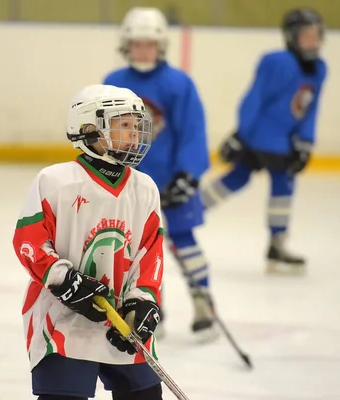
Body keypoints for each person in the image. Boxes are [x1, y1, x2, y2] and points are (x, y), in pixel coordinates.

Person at [13, 84, 165, 400]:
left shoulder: (145, 188)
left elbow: (150, 252)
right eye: (124, 125)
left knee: (145, 394)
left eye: (136, 126)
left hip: (121, 320)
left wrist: (144, 298)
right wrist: (65, 280)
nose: (134, 134)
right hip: (64, 321)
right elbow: (29, 242)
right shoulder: (55, 182)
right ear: (89, 130)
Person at [103, 7, 216, 337]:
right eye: (137, 44)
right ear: (127, 45)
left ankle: (203, 302)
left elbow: (193, 131)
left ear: (161, 46)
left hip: (172, 179)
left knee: (184, 239)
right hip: (129, 183)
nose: (143, 51)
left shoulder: (179, 83)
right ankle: (150, 306)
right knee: (136, 247)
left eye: (149, 44)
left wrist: (188, 174)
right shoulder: (114, 83)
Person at [200, 8, 328, 275]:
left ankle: (188, 213)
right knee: (282, 182)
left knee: (239, 177)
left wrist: (305, 141)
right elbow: (254, 98)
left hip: (282, 139)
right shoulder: (278, 62)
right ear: (292, 37)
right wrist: (241, 132)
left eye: (316, 36)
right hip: (265, 136)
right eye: (306, 36)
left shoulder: (319, 69)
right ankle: (277, 244)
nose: (313, 42)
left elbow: (310, 109)